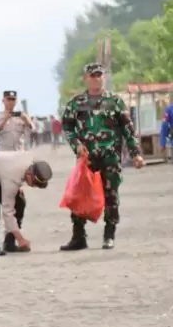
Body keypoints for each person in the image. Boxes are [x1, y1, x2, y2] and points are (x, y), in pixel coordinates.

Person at [60, 62, 144, 251]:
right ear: (86, 78)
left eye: (99, 75)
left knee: (111, 195)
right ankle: (79, 236)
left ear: (103, 77)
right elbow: (67, 126)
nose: (96, 78)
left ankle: (109, 234)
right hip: (86, 158)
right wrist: (77, 145)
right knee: (78, 194)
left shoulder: (114, 101)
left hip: (110, 156)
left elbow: (127, 129)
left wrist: (136, 154)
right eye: (93, 75)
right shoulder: (76, 102)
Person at [0, 152, 53, 256]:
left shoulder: (31, 162)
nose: (34, 186)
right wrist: (21, 239)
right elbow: (8, 212)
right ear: (29, 173)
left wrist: (18, 187)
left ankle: (9, 242)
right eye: (34, 183)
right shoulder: (12, 177)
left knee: (20, 202)